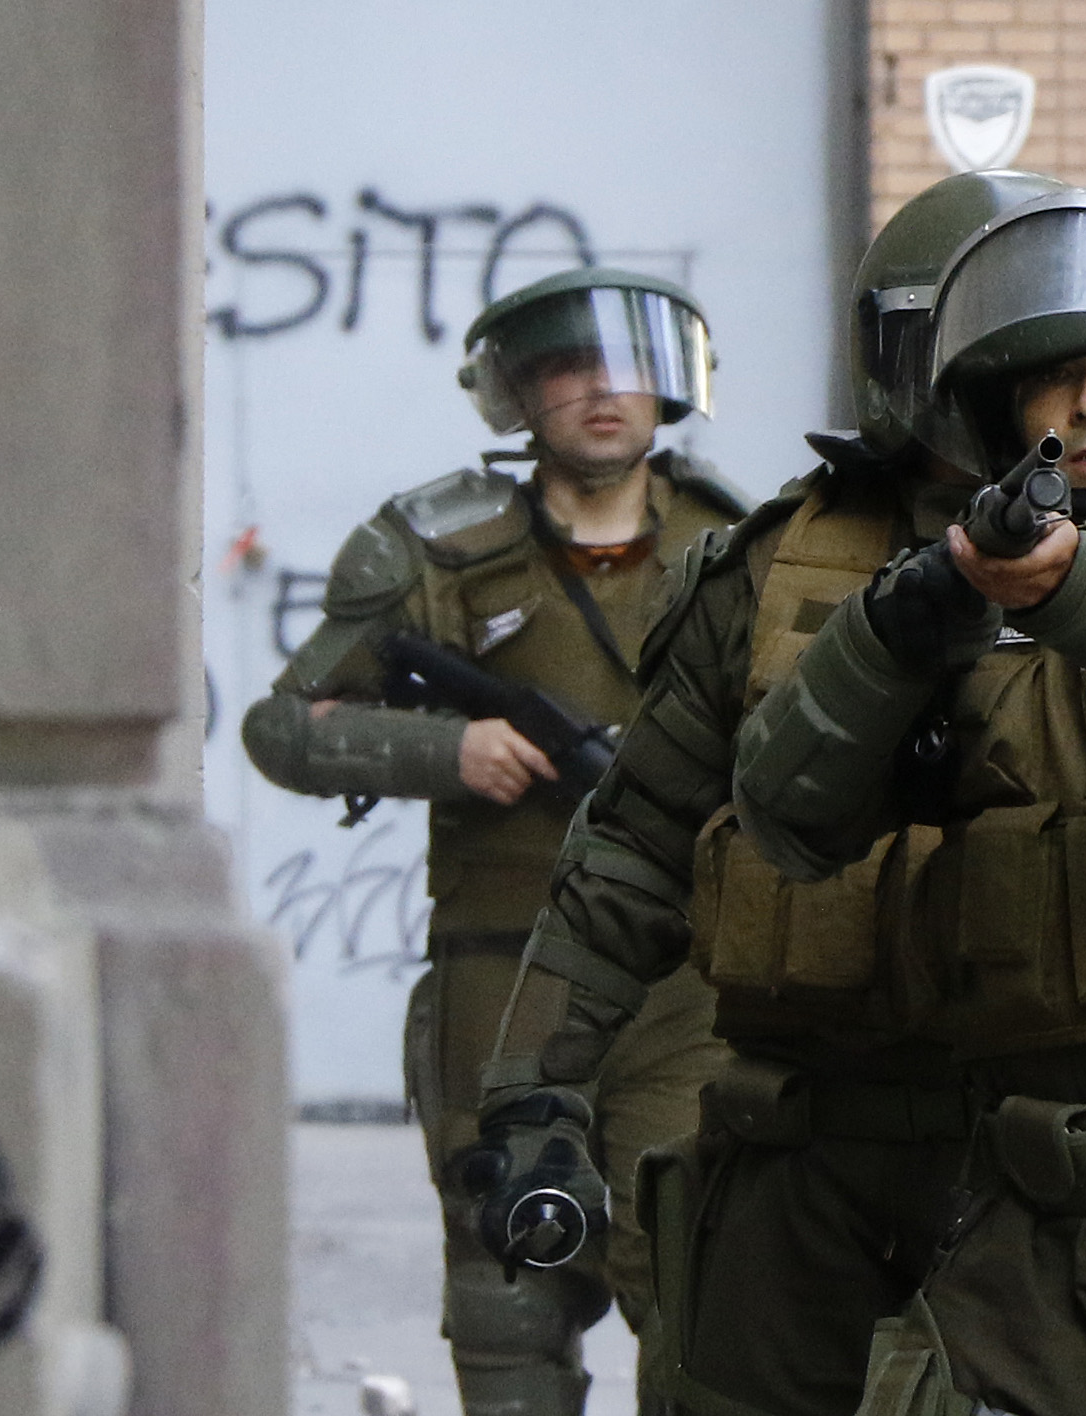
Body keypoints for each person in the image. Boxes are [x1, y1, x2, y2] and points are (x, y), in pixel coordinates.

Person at [477, 179, 1086, 1416]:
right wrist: (534, 1087)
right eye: (1039, 367)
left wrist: (1070, 584)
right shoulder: (778, 566)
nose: (1082, 401)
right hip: (821, 1138)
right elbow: (653, 842)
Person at [241, 266, 746, 1416]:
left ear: (672, 385)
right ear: (518, 395)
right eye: (569, 368)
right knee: (507, 1292)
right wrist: (444, 752)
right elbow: (284, 727)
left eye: (627, 366)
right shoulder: (436, 550)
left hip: (684, 986)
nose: (602, 392)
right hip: (505, 981)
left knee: (700, 1286)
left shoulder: (739, 544)